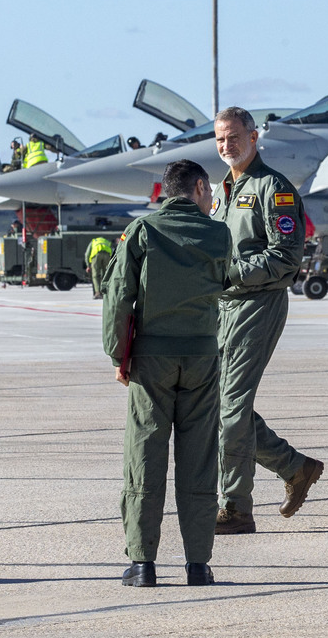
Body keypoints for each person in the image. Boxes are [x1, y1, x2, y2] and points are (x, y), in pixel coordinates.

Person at [102, 159, 231, 588]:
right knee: (198, 461)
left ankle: (143, 564)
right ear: (197, 188)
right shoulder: (219, 232)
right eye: (209, 192)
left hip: (151, 361)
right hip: (200, 358)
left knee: (145, 456)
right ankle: (198, 564)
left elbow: (119, 293)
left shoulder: (144, 230)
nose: (212, 198)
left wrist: (120, 355)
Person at [211, 106, 323, 535]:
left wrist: (231, 273)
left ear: (254, 137)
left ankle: (236, 507)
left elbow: (286, 255)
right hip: (223, 308)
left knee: (233, 408)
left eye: (234, 137)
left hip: (258, 304)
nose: (227, 146)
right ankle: (295, 468)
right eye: (221, 139)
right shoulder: (220, 192)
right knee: (219, 407)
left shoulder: (272, 188)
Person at [86, 235, 114, 300]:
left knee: (95, 276)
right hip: (107, 255)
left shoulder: (93, 241)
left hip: (97, 255)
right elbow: (112, 252)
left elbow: (87, 254)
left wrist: (88, 265)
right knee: (106, 275)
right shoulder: (106, 242)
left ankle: (97, 293)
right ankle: (105, 292)